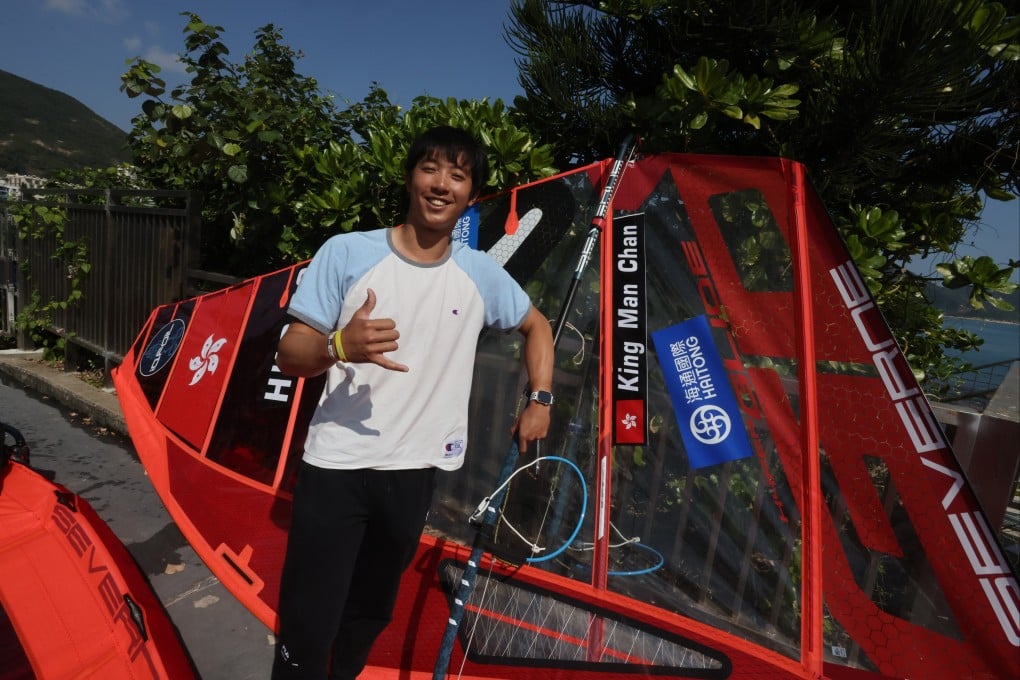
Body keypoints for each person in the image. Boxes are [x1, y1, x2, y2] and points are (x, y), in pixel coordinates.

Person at [271, 125, 555, 679]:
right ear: (409, 178)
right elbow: (290, 353)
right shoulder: (347, 252)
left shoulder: (479, 273)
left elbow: (536, 325)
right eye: (430, 169)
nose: (442, 184)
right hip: (336, 467)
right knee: (309, 619)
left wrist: (540, 399)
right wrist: (338, 345)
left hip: (415, 472)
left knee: (369, 613)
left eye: (458, 175)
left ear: (472, 195)